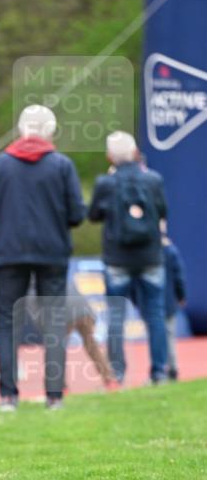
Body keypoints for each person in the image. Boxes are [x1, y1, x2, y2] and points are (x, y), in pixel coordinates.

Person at [0, 105, 85, 411]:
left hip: (11, 252)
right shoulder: (62, 165)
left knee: (9, 321)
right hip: (52, 252)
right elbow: (77, 214)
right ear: (50, 131)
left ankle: (8, 396)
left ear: (22, 129)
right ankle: (54, 396)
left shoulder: (0, 165)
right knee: (53, 322)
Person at [88, 131, 168, 384]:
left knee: (115, 317)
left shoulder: (106, 184)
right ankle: (159, 372)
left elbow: (93, 215)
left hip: (117, 258)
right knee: (155, 314)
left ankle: (117, 374)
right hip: (150, 256)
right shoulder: (153, 179)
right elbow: (163, 210)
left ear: (110, 156)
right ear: (135, 153)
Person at [161, 228, 187, 381]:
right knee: (169, 334)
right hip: (170, 300)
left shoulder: (151, 253)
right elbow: (179, 276)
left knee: (160, 335)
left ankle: (162, 368)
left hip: (156, 302)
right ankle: (172, 368)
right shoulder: (172, 252)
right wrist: (181, 295)